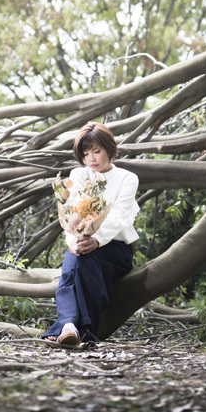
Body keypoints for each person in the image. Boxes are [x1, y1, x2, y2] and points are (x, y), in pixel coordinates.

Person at [43, 122, 139, 346]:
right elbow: (72, 213)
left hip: (115, 249)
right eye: (86, 154)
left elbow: (118, 216)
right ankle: (76, 329)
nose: (91, 159)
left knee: (84, 261)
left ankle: (68, 327)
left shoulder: (127, 178)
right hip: (82, 241)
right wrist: (74, 240)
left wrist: (96, 240)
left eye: (97, 151)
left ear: (110, 149)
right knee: (75, 259)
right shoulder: (79, 174)